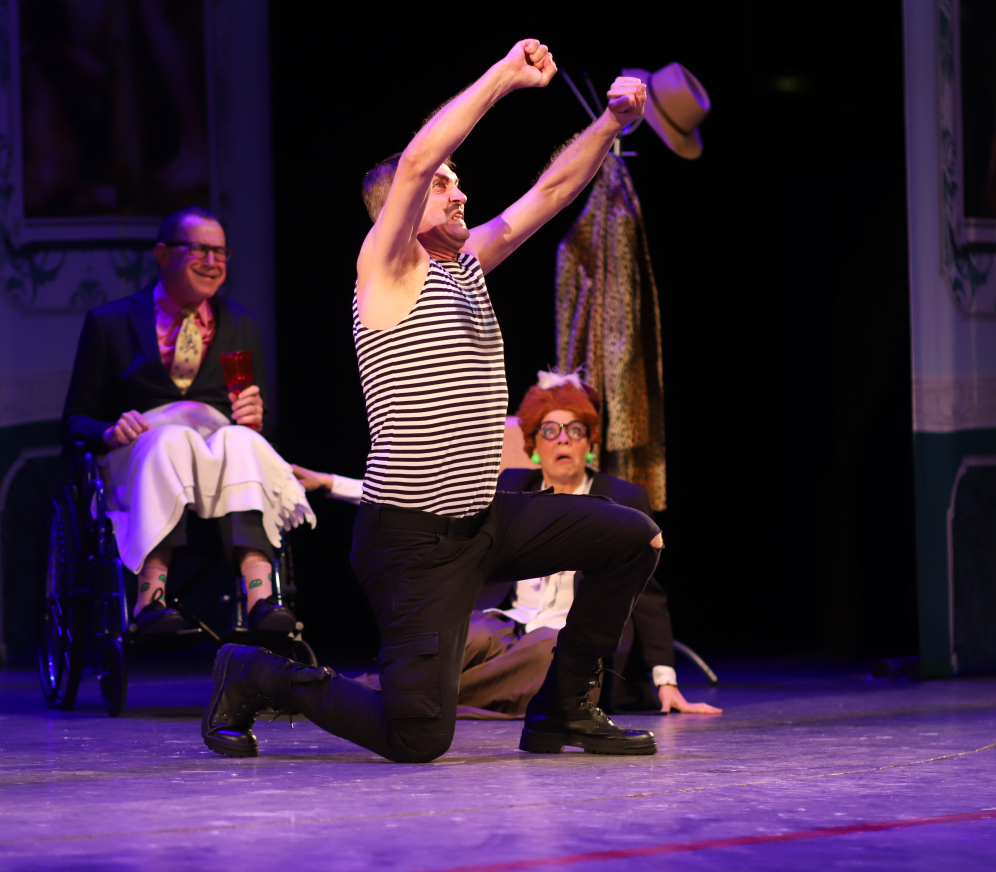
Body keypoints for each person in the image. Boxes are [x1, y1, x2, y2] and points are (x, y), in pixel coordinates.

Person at [201, 40, 667, 763]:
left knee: (633, 536)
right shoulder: (386, 268)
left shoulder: (467, 263)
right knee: (417, 734)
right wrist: (505, 77)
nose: (460, 194)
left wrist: (611, 124)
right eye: (446, 185)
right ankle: (258, 673)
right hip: (412, 541)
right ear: (402, 207)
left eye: (460, 184)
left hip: (484, 517)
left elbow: (550, 193)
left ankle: (565, 709)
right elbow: (419, 158)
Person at [292, 372, 721, 718]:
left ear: (590, 442)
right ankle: (391, 696)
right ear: (534, 445)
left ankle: (370, 698)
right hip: (509, 623)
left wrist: (666, 681)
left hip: (564, 638)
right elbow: (427, 501)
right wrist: (331, 483)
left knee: (547, 658)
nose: (563, 439)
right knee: (461, 634)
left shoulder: (623, 499)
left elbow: (647, 596)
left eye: (575, 430)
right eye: (550, 430)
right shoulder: (515, 485)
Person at [62, 206, 314, 636]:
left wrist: (255, 419)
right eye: (199, 249)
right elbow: (74, 421)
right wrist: (108, 431)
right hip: (141, 455)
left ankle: (261, 598)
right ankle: (150, 599)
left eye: (221, 252)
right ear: (163, 254)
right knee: (169, 441)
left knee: (241, 441)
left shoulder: (242, 324)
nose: (213, 262)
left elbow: (262, 423)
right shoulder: (109, 323)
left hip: (218, 463)